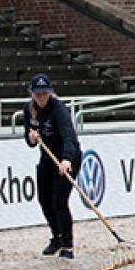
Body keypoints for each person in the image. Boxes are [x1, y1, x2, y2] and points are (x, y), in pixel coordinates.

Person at [22, 73, 81, 259]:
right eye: (38, 94)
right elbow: (29, 137)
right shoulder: (28, 110)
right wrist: (31, 139)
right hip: (47, 158)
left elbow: (69, 136)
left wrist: (67, 159)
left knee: (59, 202)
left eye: (44, 94)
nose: (41, 98)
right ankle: (57, 236)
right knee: (44, 200)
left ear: (50, 93)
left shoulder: (59, 110)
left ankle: (67, 246)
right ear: (32, 94)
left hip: (67, 159)